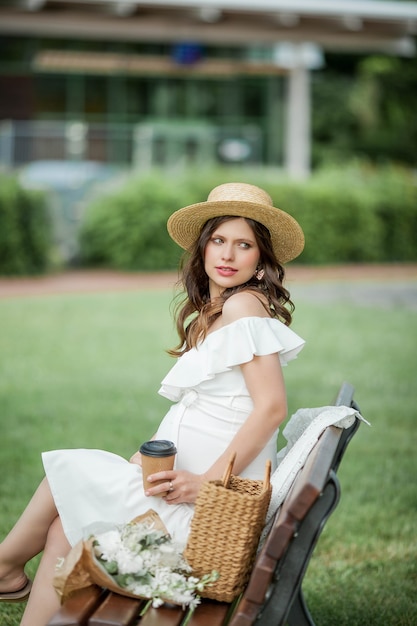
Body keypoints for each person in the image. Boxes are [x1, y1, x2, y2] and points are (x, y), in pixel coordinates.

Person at [0, 182, 305, 626]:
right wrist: (148, 461)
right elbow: (205, 414)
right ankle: (7, 575)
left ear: (261, 262)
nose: (228, 254)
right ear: (203, 248)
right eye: (219, 240)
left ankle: (4, 568)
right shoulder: (224, 310)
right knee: (64, 523)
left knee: (64, 474)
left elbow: (272, 408)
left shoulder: (244, 309)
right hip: (179, 496)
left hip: (205, 521)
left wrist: (210, 483)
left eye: (244, 245)